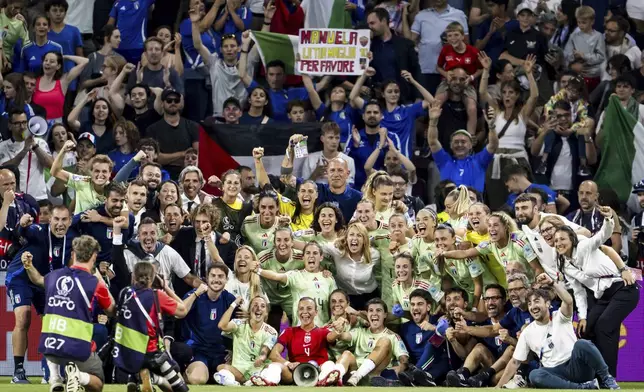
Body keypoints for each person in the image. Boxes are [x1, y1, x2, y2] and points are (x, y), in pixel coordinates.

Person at [21, 235, 116, 392]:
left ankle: (55, 377)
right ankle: (78, 376)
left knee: (53, 338)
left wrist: (28, 265)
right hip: (76, 348)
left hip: (49, 347)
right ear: (94, 256)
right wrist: (100, 279)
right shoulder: (94, 283)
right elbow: (112, 311)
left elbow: (37, 279)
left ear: (73, 254)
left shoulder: (54, 276)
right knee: (98, 382)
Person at [551, 210, 639, 378]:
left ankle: (608, 377)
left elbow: (601, 236)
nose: (558, 243)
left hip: (623, 288)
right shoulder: (564, 264)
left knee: (605, 325)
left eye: (562, 239)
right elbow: (578, 292)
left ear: (572, 239)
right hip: (603, 296)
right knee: (587, 330)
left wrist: (608, 219)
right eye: (556, 241)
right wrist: (582, 317)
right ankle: (589, 375)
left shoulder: (584, 246)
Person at [497, 273, 620, 390]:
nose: (532, 306)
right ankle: (582, 388)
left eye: (536, 301)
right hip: (555, 373)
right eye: (529, 303)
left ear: (548, 304)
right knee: (535, 375)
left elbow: (568, 301)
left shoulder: (560, 317)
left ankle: (607, 378)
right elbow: (515, 361)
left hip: (576, 366)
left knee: (582, 344)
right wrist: (498, 387)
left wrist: (552, 283)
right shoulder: (527, 332)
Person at [4, 205, 74, 384]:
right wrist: (22, 224)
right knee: (24, 318)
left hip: (44, 282)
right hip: (21, 277)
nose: (60, 224)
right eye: (56, 219)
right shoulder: (37, 231)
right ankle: (18, 372)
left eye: (64, 220)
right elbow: (21, 233)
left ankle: (49, 371)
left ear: (70, 221)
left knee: (54, 323)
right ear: (49, 219)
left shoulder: (73, 238)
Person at [111, 262, 190, 392]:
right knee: (179, 387)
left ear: (133, 277)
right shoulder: (156, 295)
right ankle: (153, 378)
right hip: (152, 352)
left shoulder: (124, 293)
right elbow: (183, 310)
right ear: (153, 278)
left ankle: (137, 378)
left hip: (128, 351)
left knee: (138, 370)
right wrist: (166, 288)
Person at [479, 52, 539, 210]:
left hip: (518, 161)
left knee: (521, 201)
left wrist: (529, 73)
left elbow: (534, 96)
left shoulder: (523, 114)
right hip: (497, 161)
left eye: (511, 92)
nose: (507, 96)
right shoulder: (497, 111)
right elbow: (483, 93)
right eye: (504, 92)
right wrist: (486, 71)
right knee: (497, 202)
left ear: (517, 95)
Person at [252, 297, 343, 386]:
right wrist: (289, 364)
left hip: (318, 371)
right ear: (297, 312)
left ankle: (325, 381)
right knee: (275, 365)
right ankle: (268, 381)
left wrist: (338, 330)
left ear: (316, 312)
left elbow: (331, 337)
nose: (304, 312)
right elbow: (273, 354)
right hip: (294, 374)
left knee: (329, 364)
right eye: (301, 309)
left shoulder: (323, 331)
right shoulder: (289, 332)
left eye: (309, 308)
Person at [253, 241, 337, 327]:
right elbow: (276, 276)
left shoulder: (328, 279)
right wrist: (258, 270)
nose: (311, 256)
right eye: (308, 253)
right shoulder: (295, 276)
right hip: (300, 330)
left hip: (322, 330)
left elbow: (335, 304)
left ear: (321, 257)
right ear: (303, 257)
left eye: (315, 253)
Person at [180, 262, 237, 385]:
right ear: (207, 278)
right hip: (198, 350)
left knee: (235, 377)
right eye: (213, 276)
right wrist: (196, 293)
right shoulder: (196, 295)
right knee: (198, 379)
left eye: (220, 276)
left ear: (226, 279)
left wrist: (233, 350)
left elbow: (239, 329)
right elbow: (179, 312)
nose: (216, 279)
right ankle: (184, 375)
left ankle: (211, 376)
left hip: (220, 354)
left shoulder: (230, 300)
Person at [335, 298, 409, 387]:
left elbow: (404, 361)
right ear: (367, 314)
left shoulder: (393, 336)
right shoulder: (360, 331)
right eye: (371, 310)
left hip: (376, 377)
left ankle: (358, 375)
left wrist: (399, 368)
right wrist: (338, 331)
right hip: (353, 378)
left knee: (384, 341)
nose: (374, 313)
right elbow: (343, 336)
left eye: (378, 310)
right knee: (346, 354)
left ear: (385, 314)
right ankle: (335, 381)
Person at [428, 101, 497, 193]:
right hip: (450, 204)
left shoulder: (479, 160)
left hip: (473, 204)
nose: (459, 145)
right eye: (456, 142)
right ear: (451, 146)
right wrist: (433, 122)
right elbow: (433, 142)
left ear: (470, 145)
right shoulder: (444, 161)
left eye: (463, 142)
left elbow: (493, 145)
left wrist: (491, 126)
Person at [402, 0, 467, 95]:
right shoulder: (421, 15)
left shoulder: (459, 15)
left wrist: (452, 44)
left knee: (444, 104)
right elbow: (410, 40)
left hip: (450, 70)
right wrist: (404, 16)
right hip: (425, 68)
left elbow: (466, 43)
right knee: (421, 102)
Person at [214, 296, 278, 385]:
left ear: (266, 313)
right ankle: (236, 384)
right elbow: (222, 326)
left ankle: (239, 381)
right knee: (221, 368)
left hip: (257, 370)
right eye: (255, 305)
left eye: (262, 306)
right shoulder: (239, 324)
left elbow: (265, 350)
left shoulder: (271, 332)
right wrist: (234, 304)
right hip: (238, 371)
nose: (258, 308)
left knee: (274, 368)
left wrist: (262, 357)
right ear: (249, 310)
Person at [146, 89, 199, 180]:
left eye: (176, 100)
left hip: (188, 174)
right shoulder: (152, 129)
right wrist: (182, 154)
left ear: (180, 104)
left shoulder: (193, 126)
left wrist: (167, 158)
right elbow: (156, 158)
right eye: (169, 100)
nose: (173, 103)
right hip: (161, 175)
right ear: (162, 103)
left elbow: (195, 156)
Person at [0, 108, 52, 201]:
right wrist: (24, 150)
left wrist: (35, 146)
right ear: (9, 126)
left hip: (39, 197)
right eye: (17, 123)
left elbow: (51, 165)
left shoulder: (40, 142)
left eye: (24, 122)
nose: (22, 126)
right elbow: (5, 169)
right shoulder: (3, 146)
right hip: (15, 198)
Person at [568, 180, 623, 252]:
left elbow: (617, 244)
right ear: (578, 194)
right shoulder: (570, 218)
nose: (584, 197)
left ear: (596, 196)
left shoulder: (607, 213)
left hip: (604, 258)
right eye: (581, 193)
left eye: (588, 193)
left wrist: (605, 262)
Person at [33, 51, 88, 122]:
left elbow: (85, 61)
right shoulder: (34, 81)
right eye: (46, 60)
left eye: (52, 61)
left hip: (56, 124)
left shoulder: (63, 81)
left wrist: (65, 57)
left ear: (58, 66)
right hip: (37, 123)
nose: (47, 63)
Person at [563, 6, 605, 93]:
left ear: (592, 22)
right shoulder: (573, 36)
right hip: (576, 74)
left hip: (593, 75)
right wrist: (573, 57)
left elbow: (601, 56)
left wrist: (584, 56)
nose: (581, 25)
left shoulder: (598, 36)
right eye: (579, 22)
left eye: (584, 22)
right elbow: (566, 53)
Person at [0, 0, 29, 66]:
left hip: (7, 58)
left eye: (20, 9)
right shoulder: (0, 13)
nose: (18, 11)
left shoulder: (20, 21)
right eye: (16, 7)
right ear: (8, 3)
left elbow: (26, 43)